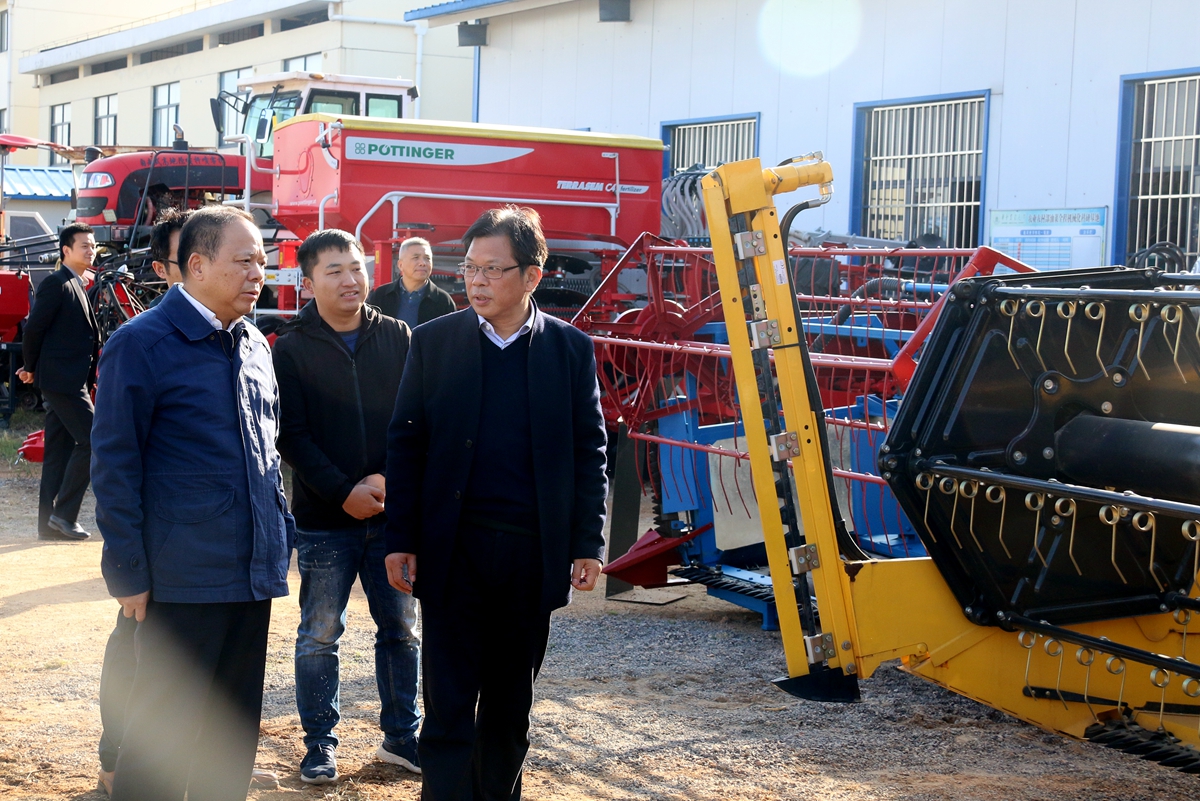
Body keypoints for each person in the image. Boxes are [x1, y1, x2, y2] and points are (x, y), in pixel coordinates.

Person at [383, 206, 608, 800]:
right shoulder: (434, 343)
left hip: (532, 553)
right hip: (455, 548)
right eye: (469, 269)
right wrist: (400, 537)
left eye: (492, 270)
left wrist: (587, 541)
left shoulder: (568, 350)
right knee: (450, 700)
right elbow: (406, 442)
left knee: (511, 703)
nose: (476, 282)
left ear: (532, 276)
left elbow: (590, 449)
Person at [91, 205, 294, 801]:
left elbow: (267, 450)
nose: (259, 272)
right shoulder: (143, 343)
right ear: (196, 265)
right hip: (179, 577)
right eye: (244, 261)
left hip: (250, 573)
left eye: (262, 260)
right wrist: (127, 569)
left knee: (228, 733)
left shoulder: (254, 342)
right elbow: (116, 463)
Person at [272, 229, 422, 784]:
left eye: (356, 267)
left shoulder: (399, 337)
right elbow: (293, 435)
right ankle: (319, 745)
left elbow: (413, 418)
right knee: (318, 634)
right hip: (323, 521)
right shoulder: (290, 347)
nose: (350, 279)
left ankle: (403, 738)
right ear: (308, 283)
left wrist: (384, 479)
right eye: (334, 270)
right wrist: (343, 492)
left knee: (401, 629)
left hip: (393, 517)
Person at [19, 222, 100, 541]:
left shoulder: (77, 282)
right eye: (84, 246)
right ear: (66, 250)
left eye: (93, 246)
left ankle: (47, 526)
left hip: (69, 379)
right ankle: (64, 516)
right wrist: (29, 367)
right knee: (94, 439)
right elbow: (33, 329)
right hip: (63, 381)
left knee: (58, 451)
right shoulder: (57, 283)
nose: (91, 250)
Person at [365, 237, 456, 328]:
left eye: (427, 258)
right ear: (400, 265)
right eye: (415, 258)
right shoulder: (381, 295)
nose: (422, 263)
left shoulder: (443, 301)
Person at [145, 208, 188, 309]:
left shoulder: (229, 317)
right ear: (160, 269)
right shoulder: (152, 323)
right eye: (184, 262)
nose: (199, 270)